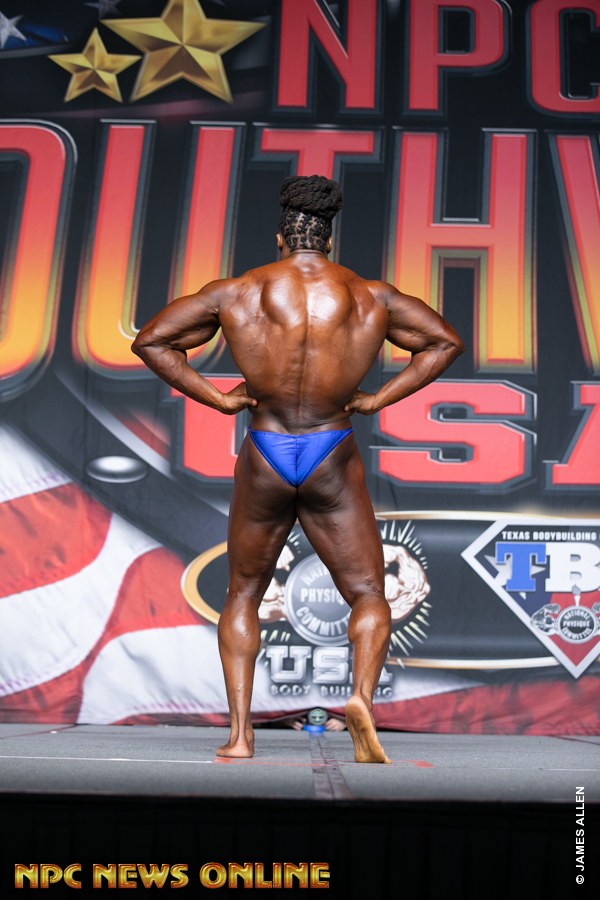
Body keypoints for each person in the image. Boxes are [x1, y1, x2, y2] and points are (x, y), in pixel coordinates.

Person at [132, 175, 464, 763]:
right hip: (330, 447)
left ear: (281, 236)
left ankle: (240, 736)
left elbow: (153, 341)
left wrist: (219, 399)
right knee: (368, 593)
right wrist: (374, 400)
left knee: (244, 591)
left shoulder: (239, 291)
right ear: (328, 239)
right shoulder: (371, 297)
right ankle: (360, 698)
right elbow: (443, 342)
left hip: (267, 447)